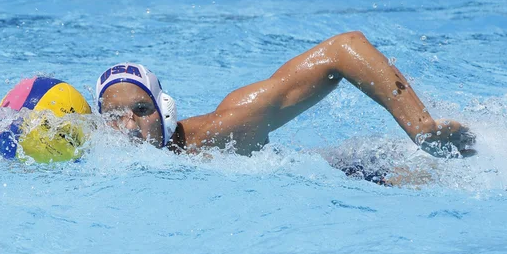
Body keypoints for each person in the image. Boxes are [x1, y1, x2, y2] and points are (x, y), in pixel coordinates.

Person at [95, 31, 475, 159]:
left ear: (164, 110)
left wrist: (422, 127)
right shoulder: (90, 153)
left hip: (363, 176)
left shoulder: (223, 131)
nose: (128, 127)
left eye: (141, 110)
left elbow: (344, 48)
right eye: (114, 116)